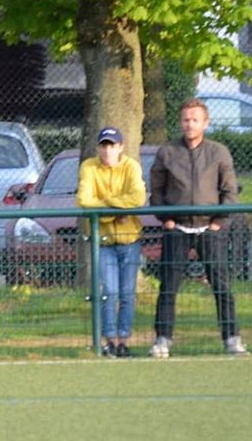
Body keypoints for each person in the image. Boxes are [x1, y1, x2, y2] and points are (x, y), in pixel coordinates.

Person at [148, 98, 248, 358]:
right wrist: (166, 219)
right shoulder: (167, 152)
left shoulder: (219, 152)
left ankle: (232, 339)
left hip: (210, 229)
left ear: (205, 123)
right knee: (168, 287)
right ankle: (162, 340)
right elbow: (156, 190)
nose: (189, 124)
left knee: (221, 286)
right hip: (177, 228)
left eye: (195, 119)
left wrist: (218, 222)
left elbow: (229, 191)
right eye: (185, 119)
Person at [75, 127, 146, 358]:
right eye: (104, 145)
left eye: (112, 145)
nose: (107, 150)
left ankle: (123, 340)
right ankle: (109, 341)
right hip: (103, 242)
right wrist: (116, 212)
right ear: (98, 148)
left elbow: (138, 197)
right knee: (109, 291)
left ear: (121, 147)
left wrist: (105, 203)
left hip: (129, 240)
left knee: (127, 293)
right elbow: (84, 200)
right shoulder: (89, 167)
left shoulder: (131, 166)